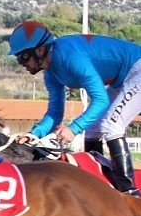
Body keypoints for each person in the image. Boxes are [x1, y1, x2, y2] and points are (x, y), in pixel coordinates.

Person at [8, 20, 141, 197]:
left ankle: (130, 194)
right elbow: (55, 112)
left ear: (40, 50)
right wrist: (34, 134)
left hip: (136, 70)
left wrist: (74, 129)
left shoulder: (69, 56)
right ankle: (99, 181)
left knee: (110, 126)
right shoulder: (51, 73)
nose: (21, 63)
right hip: (122, 78)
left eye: (23, 56)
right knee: (93, 129)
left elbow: (100, 99)